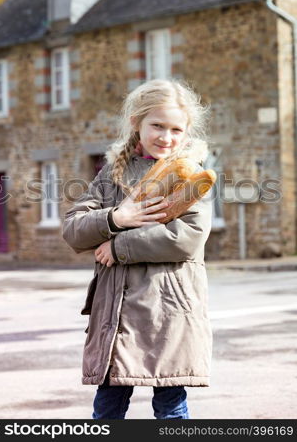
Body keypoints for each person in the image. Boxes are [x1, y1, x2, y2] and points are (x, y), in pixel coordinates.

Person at [62, 78, 213, 419]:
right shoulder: (111, 174)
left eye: (176, 129)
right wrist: (117, 216)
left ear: (186, 131)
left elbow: (187, 237)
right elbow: (73, 230)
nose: (166, 137)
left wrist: (119, 247)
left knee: (170, 405)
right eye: (157, 126)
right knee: (108, 408)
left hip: (169, 309)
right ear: (136, 123)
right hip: (115, 313)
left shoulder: (190, 174)